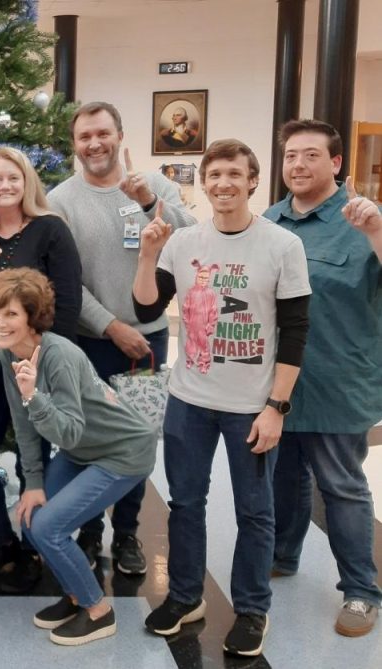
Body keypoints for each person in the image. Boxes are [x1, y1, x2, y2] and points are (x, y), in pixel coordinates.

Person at [132, 139, 311, 656]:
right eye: (214, 175)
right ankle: (186, 596)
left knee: (255, 511)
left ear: (253, 181)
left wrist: (276, 406)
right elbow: (146, 304)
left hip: (251, 406)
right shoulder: (184, 241)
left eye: (235, 174)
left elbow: (296, 331)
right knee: (186, 503)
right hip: (189, 399)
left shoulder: (281, 246)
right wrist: (147, 255)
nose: (224, 184)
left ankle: (252, 610)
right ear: (203, 183)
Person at [48, 101, 196, 575]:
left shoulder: (156, 187)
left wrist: (151, 201)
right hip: (87, 341)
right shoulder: (60, 201)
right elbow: (66, 283)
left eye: (102, 134)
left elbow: (195, 241)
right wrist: (111, 327)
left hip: (149, 340)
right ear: (75, 144)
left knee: (137, 439)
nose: (94, 143)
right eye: (84, 136)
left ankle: (128, 533)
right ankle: (90, 532)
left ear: (119, 135)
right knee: (88, 439)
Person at [0, 267, 156, 646]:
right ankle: (76, 594)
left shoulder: (58, 355)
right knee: (32, 519)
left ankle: (97, 611)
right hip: (83, 449)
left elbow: (68, 430)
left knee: (48, 528)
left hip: (123, 451)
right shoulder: (7, 350)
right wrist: (34, 484)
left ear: (32, 316)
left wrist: (33, 396)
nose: (0, 321)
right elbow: (23, 425)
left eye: (11, 313)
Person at [264, 119, 382, 637]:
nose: (298, 165)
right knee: (284, 478)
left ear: (336, 163)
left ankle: (361, 591)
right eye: (291, 156)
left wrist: (376, 232)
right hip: (277, 386)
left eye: (311, 155)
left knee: (341, 487)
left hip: (336, 380)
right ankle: (283, 555)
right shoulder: (269, 220)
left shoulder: (361, 221)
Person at [0, 147, 82, 591]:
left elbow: (66, 303)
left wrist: (43, 364)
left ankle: (33, 546)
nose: (3, 186)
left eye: (12, 178)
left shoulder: (50, 231)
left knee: (35, 469)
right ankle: (3, 541)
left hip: (35, 372)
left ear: (26, 182)